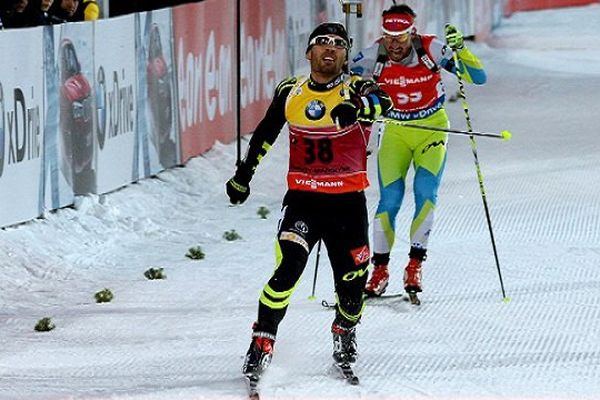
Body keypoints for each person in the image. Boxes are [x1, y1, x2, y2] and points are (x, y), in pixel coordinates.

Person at [226, 22, 392, 383]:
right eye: (322, 43)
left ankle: (344, 329)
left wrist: (360, 108)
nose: (330, 49)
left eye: (338, 44)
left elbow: (384, 101)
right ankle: (261, 340)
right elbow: (265, 135)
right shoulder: (291, 91)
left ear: (347, 56)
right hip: (303, 201)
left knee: (351, 287)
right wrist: (243, 177)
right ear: (308, 53)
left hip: (347, 204)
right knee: (288, 270)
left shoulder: (356, 87)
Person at [350, 4, 486, 301]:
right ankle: (380, 270)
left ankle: (414, 265)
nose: (394, 43)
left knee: (426, 193)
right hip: (395, 130)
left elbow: (478, 78)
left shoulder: (431, 49)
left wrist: (461, 50)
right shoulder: (374, 55)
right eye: (388, 36)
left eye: (400, 36)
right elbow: (342, 81)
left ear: (412, 31)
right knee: (389, 200)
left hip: (432, 129)